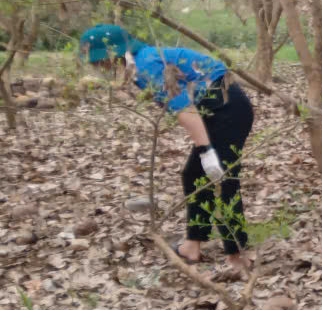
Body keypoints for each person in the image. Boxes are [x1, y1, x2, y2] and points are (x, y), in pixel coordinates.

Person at [78, 23, 254, 272]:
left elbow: (185, 110)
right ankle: (193, 245)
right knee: (194, 175)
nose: (98, 67)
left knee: (224, 179)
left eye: (99, 61)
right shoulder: (138, 63)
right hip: (214, 108)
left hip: (229, 108)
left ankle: (238, 254)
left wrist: (207, 151)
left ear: (112, 54)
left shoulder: (146, 65)